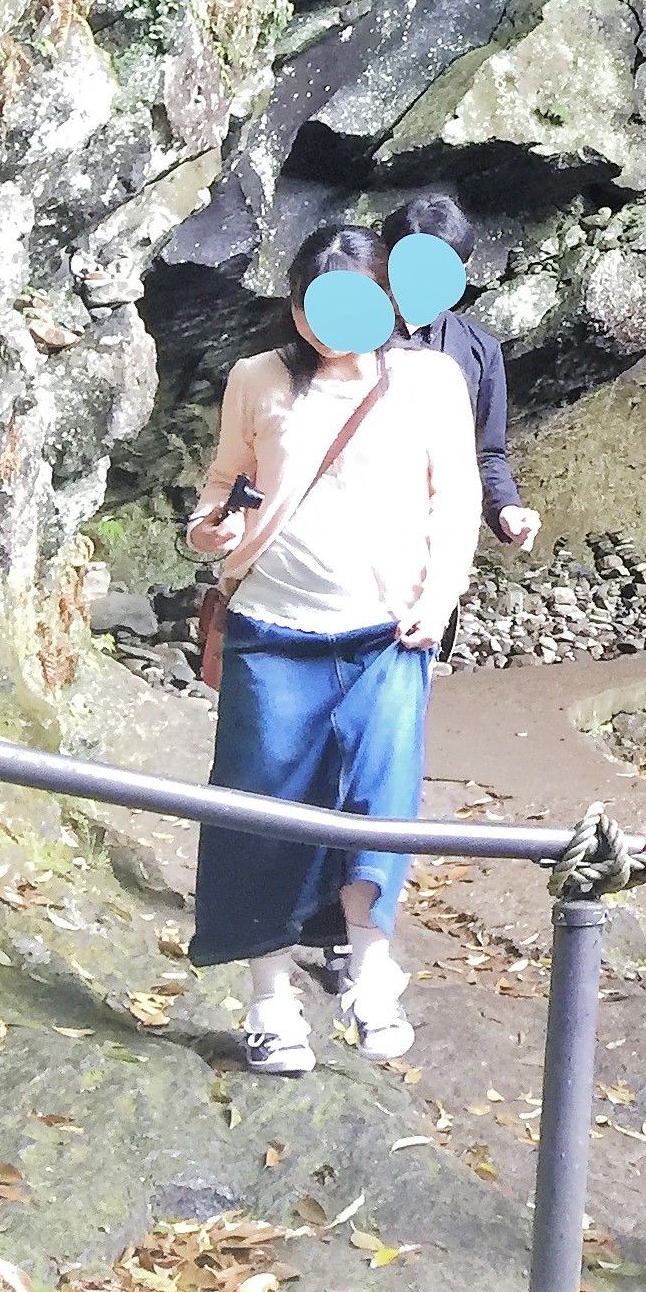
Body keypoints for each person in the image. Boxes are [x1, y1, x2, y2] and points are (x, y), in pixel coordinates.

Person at [184, 223, 483, 1077]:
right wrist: (212, 530)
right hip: (272, 630)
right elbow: (219, 490)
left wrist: (439, 596)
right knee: (257, 804)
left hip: (385, 632)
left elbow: (454, 500)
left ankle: (369, 973)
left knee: (377, 801)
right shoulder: (258, 379)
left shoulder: (430, 381)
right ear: (296, 308)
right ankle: (270, 1001)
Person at [378, 192, 540, 556]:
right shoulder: (347, 337)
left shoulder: (480, 351)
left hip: (432, 540)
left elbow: (487, 452)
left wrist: (506, 509)